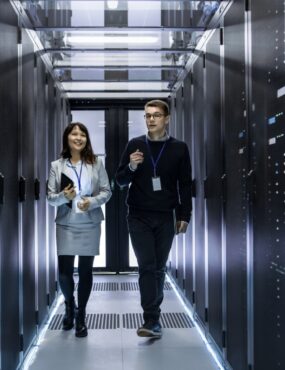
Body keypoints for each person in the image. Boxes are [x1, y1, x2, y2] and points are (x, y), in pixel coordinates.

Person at [116, 100, 192, 339]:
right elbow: (119, 181)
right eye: (148, 115)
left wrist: (184, 216)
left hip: (165, 216)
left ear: (167, 119)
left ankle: (154, 317)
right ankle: (151, 319)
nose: (151, 119)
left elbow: (185, 186)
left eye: (156, 115)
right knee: (147, 267)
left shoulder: (179, 148)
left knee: (158, 267)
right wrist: (131, 165)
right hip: (138, 216)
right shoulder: (135, 145)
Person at [47, 122, 111, 338]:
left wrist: (91, 202)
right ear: (67, 138)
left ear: (86, 139)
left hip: (90, 223)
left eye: (83, 134)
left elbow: (106, 191)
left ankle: (81, 315)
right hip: (66, 223)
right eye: (74, 134)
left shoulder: (96, 163)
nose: (79, 137)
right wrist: (65, 197)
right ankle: (69, 305)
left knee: (85, 272)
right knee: (64, 273)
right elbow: (50, 198)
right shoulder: (57, 165)